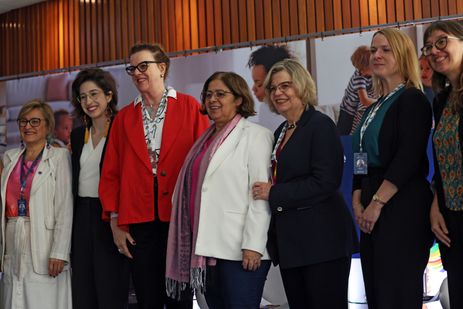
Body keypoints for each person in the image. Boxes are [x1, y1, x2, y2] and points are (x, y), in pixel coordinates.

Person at [99, 43, 210, 309]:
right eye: (132, 68)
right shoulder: (124, 118)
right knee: (146, 298)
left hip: (179, 219)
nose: (136, 72)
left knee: (179, 298)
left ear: (162, 68)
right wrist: (115, 221)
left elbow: (204, 164)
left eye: (143, 66)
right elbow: (111, 173)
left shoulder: (190, 107)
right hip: (139, 221)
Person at [252, 59, 357, 309]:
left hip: (322, 244)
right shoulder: (281, 131)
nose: (278, 93)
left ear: (301, 86)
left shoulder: (320, 125)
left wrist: (274, 192)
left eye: (285, 86)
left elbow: (326, 182)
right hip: (294, 246)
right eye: (273, 88)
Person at [166, 72, 273, 309]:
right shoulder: (202, 141)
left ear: (238, 99)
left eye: (221, 94)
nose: (213, 100)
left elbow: (260, 196)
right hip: (207, 249)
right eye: (208, 94)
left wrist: (253, 245)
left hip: (240, 250)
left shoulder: (256, 136)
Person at [352, 28, 433, 309]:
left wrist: (376, 202)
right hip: (372, 199)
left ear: (402, 54)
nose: (377, 55)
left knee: (395, 293)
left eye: (386, 49)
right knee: (375, 293)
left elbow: (407, 158)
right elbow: (360, 154)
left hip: (401, 204)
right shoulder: (371, 108)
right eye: (374, 50)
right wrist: (357, 195)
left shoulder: (413, 99)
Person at [0, 100, 73, 308]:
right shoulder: (10, 158)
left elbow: (64, 208)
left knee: (43, 299)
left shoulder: (59, 158)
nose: (28, 126)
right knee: (13, 298)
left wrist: (59, 252)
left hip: (44, 239)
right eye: (23, 121)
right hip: (13, 237)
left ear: (48, 126)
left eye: (34, 121)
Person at [70, 68, 130, 309]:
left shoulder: (122, 130)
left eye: (94, 94)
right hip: (81, 216)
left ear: (108, 95)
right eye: (82, 97)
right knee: (83, 290)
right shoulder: (77, 135)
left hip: (110, 215)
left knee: (110, 288)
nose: (88, 102)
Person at [422, 20, 463, 309]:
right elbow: (443, 159)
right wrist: (437, 200)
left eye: (442, 42)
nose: (434, 51)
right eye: (428, 46)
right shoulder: (442, 100)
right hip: (453, 216)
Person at [337, 45, 376, 135]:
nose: (361, 71)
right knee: (343, 134)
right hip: (348, 111)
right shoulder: (359, 78)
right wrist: (380, 102)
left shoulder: (373, 74)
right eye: (359, 69)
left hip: (357, 110)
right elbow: (364, 100)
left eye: (363, 69)